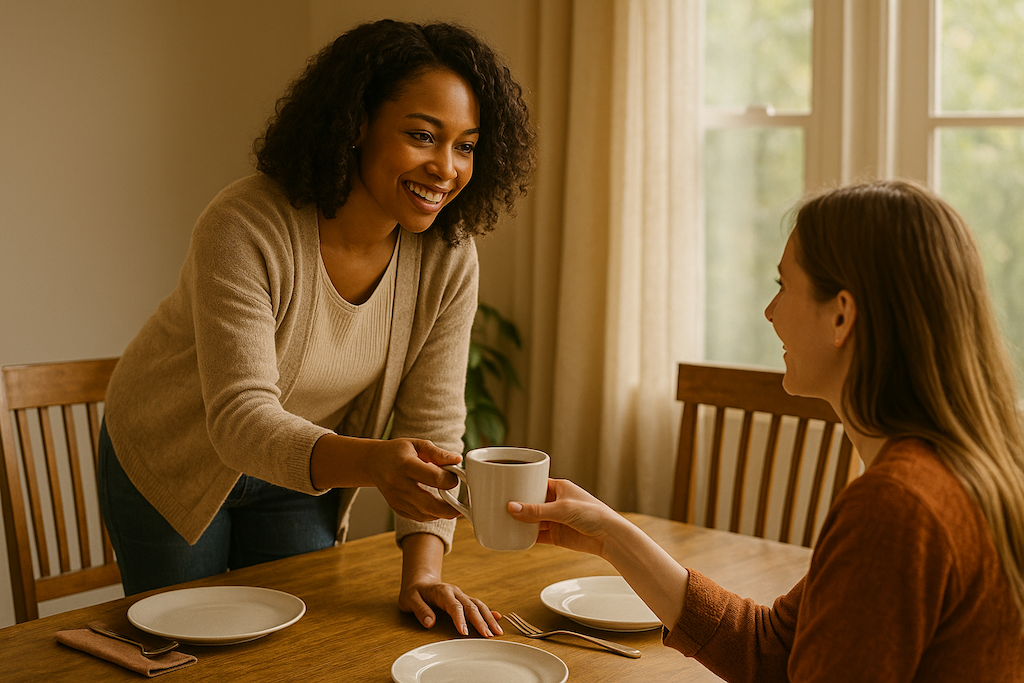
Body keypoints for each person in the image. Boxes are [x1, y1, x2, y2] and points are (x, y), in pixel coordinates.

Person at [98, 19, 534, 638]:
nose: (446, 168)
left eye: (465, 145)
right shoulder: (246, 224)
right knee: (184, 650)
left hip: (303, 467)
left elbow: (432, 424)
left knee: (297, 646)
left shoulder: (448, 257)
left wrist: (422, 573)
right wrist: (373, 463)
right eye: (421, 136)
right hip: (174, 453)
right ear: (357, 123)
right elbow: (240, 417)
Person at [509, 179, 1024, 680]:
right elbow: (775, 651)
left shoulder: (897, 508)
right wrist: (612, 537)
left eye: (783, 285)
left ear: (842, 316)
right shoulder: (975, 468)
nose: (770, 311)